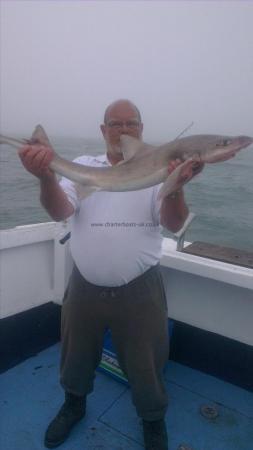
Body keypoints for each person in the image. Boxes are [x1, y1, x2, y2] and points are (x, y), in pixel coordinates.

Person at [19, 99, 203, 450]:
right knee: (75, 356)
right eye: (114, 124)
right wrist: (46, 177)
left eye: (130, 124)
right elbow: (60, 208)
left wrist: (176, 182)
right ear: (103, 130)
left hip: (140, 291)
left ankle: (152, 418)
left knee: (147, 363)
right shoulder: (85, 167)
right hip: (84, 286)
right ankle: (74, 405)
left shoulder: (158, 169)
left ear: (141, 130)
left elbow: (174, 224)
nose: (122, 130)